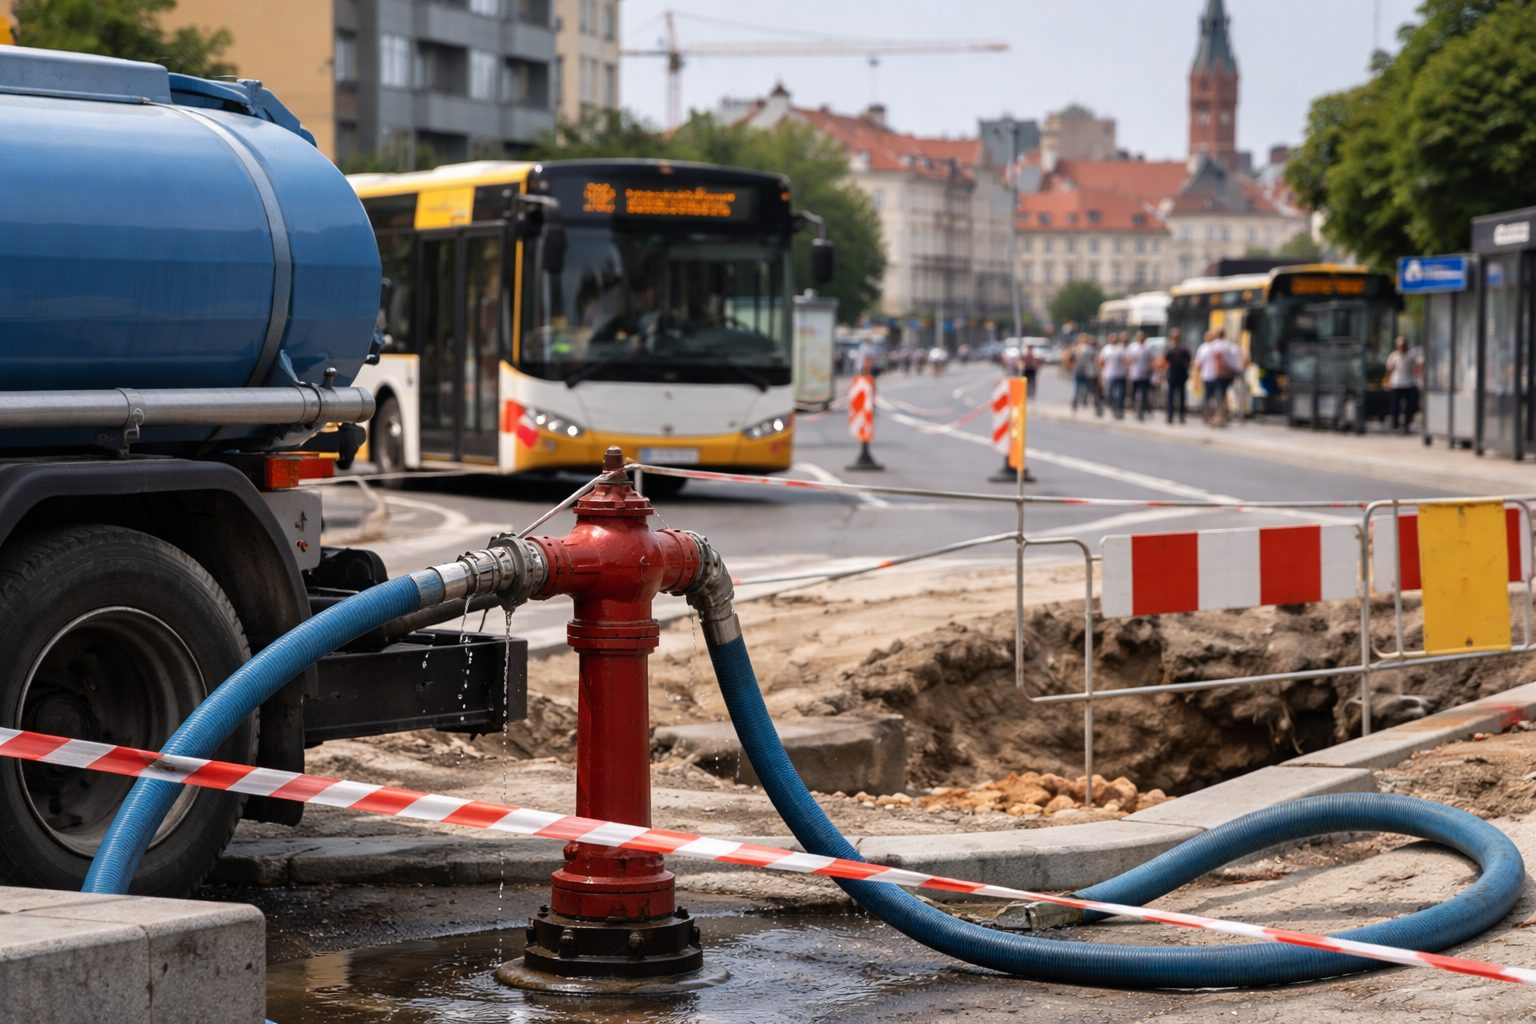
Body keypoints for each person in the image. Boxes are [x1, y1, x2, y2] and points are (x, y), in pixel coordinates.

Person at [1383, 335, 1423, 433]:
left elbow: (1418, 367)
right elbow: (1389, 370)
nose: (1402, 347)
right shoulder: (1394, 356)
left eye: (1403, 345)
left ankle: (1407, 424)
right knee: (1395, 405)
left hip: (1409, 383)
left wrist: (1418, 377)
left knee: (1410, 406)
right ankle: (1395, 425)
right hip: (1397, 383)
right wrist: (1387, 380)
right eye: (1400, 345)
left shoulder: (1411, 355)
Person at [1195, 328, 1233, 427]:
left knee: (1212, 398)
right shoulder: (1224, 346)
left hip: (1212, 375)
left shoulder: (1208, 347)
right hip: (1215, 375)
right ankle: (1216, 417)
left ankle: (1211, 417)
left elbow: (1198, 364)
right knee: (1218, 397)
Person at [1160, 328, 1192, 424]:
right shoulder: (1169, 350)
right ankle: (1170, 416)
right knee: (1170, 397)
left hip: (1181, 376)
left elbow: (1189, 361)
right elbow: (1165, 363)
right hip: (1172, 376)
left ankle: (1181, 416)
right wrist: (1163, 374)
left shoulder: (1184, 349)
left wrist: (1187, 371)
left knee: (1182, 397)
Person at [1069, 333, 1100, 414]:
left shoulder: (1076, 348)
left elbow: (1071, 359)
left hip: (1078, 370)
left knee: (1077, 386)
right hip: (1088, 371)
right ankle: (1087, 401)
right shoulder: (1090, 349)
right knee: (1088, 388)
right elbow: (1095, 360)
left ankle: (1075, 401)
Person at [1100, 332, 1128, 419]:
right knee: (1110, 394)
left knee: (1121, 394)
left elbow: (1127, 361)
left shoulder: (1121, 349)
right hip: (1109, 375)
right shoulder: (1106, 349)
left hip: (1120, 374)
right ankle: (1114, 408)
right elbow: (1101, 361)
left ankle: (1119, 408)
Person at [1127, 330, 1154, 422]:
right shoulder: (1133, 347)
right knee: (1135, 392)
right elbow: (1129, 359)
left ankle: (1143, 409)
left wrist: (1151, 370)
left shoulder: (1148, 347)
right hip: (1134, 373)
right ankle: (1135, 408)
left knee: (1144, 392)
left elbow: (1151, 360)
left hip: (1145, 373)